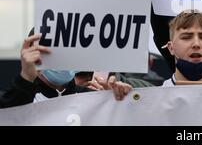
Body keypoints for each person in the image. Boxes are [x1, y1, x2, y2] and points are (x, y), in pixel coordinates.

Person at [0, 34, 132, 108]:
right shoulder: (18, 99)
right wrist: (26, 79)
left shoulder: (94, 98)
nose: (62, 59)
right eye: (51, 52)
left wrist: (122, 103)